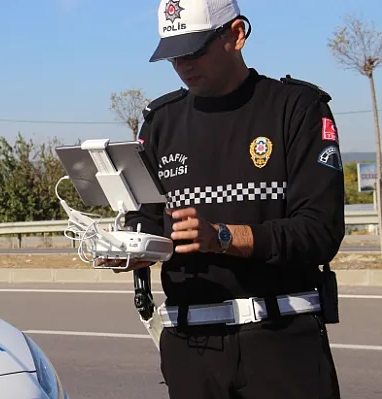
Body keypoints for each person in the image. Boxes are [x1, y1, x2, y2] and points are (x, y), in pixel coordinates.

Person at [109, 0, 345, 398]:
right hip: (191, 350)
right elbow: (148, 223)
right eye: (172, 54)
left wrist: (221, 236)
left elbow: (320, 231)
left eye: (195, 49)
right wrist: (128, 248)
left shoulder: (298, 108)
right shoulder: (160, 121)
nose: (182, 64)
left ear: (236, 34)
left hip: (282, 339)